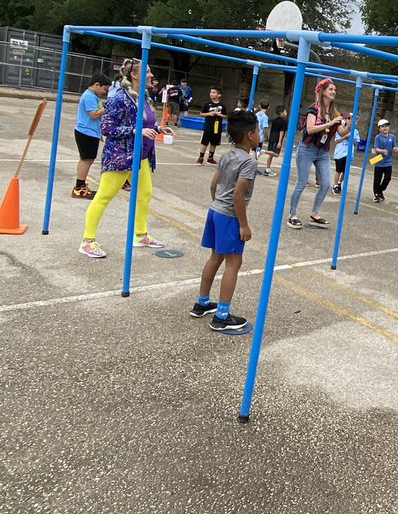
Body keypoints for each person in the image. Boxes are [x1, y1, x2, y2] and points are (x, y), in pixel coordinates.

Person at [78, 59, 167, 259]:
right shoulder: (120, 98)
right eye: (148, 71)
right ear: (135, 75)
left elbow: (145, 124)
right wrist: (135, 130)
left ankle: (140, 235)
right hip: (121, 156)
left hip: (141, 155)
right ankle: (87, 241)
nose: (152, 75)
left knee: (145, 193)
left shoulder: (143, 97)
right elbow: (107, 128)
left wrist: (158, 129)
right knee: (104, 196)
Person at [189, 109, 260, 334]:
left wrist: (218, 207)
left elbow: (214, 185)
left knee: (215, 257)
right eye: (258, 131)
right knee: (233, 263)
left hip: (215, 211)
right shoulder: (248, 162)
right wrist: (243, 224)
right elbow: (238, 195)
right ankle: (221, 316)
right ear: (250, 135)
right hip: (229, 216)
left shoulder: (227, 155)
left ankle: (201, 302)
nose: (260, 135)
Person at [287, 77, 344, 228]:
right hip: (307, 149)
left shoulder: (335, 113)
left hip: (323, 151)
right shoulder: (313, 109)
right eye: (331, 89)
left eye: (335, 90)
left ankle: (315, 213)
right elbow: (310, 128)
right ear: (323, 92)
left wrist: (350, 126)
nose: (333, 92)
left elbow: (341, 131)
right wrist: (329, 123)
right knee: (301, 183)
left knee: (325, 184)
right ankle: (292, 214)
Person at [72, 73, 111, 198]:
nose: (104, 92)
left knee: (88, 159)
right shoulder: (89, 96)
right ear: (96, 85)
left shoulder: (92, 96)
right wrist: (107, 108)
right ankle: (79, 187)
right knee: (86, 159)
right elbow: (93, 114)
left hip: (91, 132)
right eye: (104, 89)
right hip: (86, 132)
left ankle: (81, 185)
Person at [371, 118, 398, 203]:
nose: (385, 128)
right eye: (382, 126)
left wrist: (395, 149)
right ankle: (376, 194)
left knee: (388, 178)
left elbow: (396, 146)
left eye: (386, 126)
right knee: (377, 179)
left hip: (388, 161)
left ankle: (380, 190)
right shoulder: (378, 137)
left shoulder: (392, 137)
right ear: (379, 128)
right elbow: (376, 148)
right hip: (379, 161)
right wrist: (382, 151)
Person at [197, 88, 226, 165]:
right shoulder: (207, 104)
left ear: (219, 95)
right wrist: (209, 114)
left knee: (214, 142)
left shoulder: (222, 105)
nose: (211, 94)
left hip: (217, 126)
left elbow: (225, 115)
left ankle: (210, 157)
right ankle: (201, 157)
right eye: (210, 92)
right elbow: (201, 114)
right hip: (208, 126)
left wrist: (220, 115)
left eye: (213, 92)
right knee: (204, 142)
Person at [258, 105, 288, 176]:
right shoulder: (284, 122)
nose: (286, 113)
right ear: (281, 113)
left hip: (272, 138)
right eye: (285, 112)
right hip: (277, 139)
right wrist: (280, 142)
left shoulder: (274, 120)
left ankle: (267, 169)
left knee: (271, 154)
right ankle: (262, 151)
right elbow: (281, 132)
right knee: (276, 154)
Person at [331, 117, 358, 193]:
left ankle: (340, 182)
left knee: (345, 171)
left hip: (349, 153)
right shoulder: (340, 129)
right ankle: (335, 185)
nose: (351, 121)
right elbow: (337, 141)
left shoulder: (355, 131)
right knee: (338, 170)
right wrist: (345, 137)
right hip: (340, 153)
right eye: (349, 119)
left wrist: (353, 140)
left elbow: (356, 143)